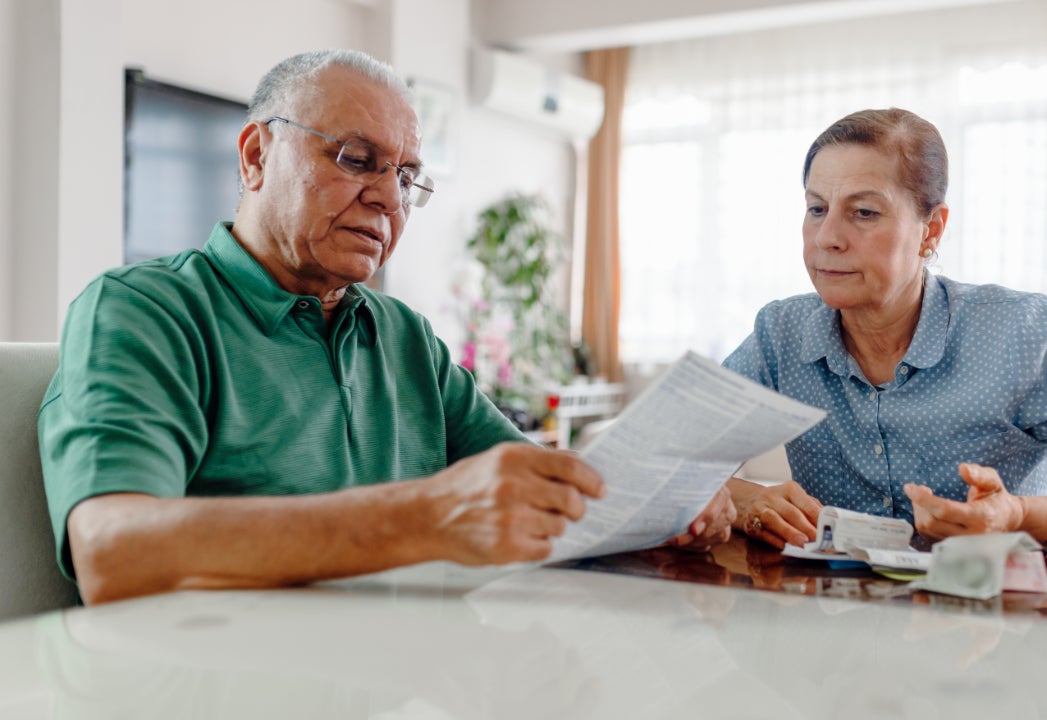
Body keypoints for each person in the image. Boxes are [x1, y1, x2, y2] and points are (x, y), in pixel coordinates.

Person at [38, 49, 733, 606]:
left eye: (407, 176)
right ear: (255, 156)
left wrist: (672, 498)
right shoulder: (146, 311)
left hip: (396, 675)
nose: (386, 197)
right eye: (356, 159)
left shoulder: (402, 334)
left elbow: (535, 490)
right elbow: (113, 553)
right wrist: (425, 516)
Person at [721, 108, 1047, 550]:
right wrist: (744, 501)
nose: (827, 238)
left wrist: (1016, 514)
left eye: (864, 212)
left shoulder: (1023, 333)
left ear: (931, 230)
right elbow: (660, 467)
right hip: (840, 620)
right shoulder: (780, 334)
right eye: (817, 209)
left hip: (1011, 617)